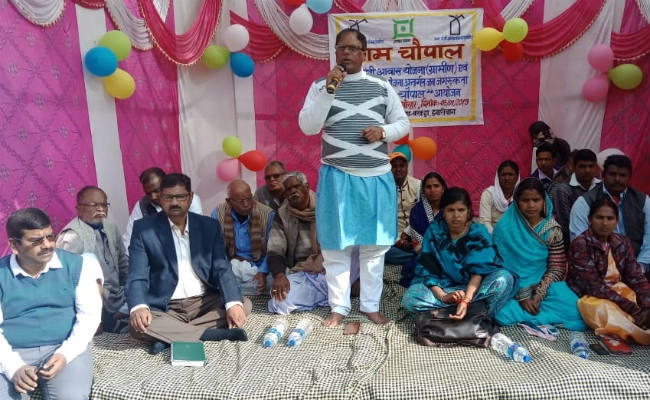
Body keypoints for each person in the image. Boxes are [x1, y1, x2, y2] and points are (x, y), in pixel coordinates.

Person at [298, 28, 410, 327]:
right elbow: (308, 126)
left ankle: (370, 306)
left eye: (352, 48)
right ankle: (339, 307)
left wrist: (383, 131)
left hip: (376, 178)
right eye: (341, 48)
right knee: (336, 247)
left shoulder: (381, 87)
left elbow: (403, 124)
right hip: (337, 178)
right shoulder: (320, 86)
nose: (345, 52)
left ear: (364, 54)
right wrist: (329, 91)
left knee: (374, 248)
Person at [127, 173, 251, 355]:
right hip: (167, 306)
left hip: (204, 301)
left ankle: (168, 335)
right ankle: (210, 334)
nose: (174, 202)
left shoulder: (209, 226)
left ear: (190, 197)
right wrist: (138, 306)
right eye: (168, 197)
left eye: (180, 197)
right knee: (137, 325)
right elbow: (137, 274)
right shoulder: (144, 229)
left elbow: (221, 268)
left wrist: (232, 303)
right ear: (160, 198)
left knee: (243, 303)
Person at [0, 208, 102, 399]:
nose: (47, 245)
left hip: (64, 346)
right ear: (14, 245)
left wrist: (65, 354)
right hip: (11, 351)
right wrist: (13, 368)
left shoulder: (78, 265)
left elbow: (90, 317)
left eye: (50, 237)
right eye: (36, 241)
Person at [401, 188, 514, 317]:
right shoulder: (434, 231)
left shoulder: (478, 232)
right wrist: (444, 296)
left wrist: (466, 300)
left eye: (461, 210)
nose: (456, 215)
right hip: (443, 287)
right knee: (411, 298)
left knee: (505, 279)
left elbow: (479, 272)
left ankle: (452, 312)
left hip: (476, 289)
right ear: (443, 212)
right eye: (450, 210)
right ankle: (474, 312)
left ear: (468, 212)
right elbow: (428, 272)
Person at [493, 178, 586, 330]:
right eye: (525, 200)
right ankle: (535, 315)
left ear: (544, 201)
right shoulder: (503, 228)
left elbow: (557, 268)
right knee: (500, 312)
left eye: (536, 200)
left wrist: (538, 295)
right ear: (517, 202)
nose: (531, 205)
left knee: (574, 308)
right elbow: (498, 266)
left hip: (542, 288)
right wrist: (522, 297)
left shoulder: (551, 229)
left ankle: (530, 313)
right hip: (512, 289)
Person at [267, 172, 360, 314]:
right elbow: (275, 249)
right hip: (303, 272)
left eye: (296, 187)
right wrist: (279, 276)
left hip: (332, 266)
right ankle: (333, 293)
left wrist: (358, 278)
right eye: (288, 190)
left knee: (357, 244)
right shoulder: (282, 215)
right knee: (279, 299)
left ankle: (339, 288)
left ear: (306, 187)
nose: (292, 192)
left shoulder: (328, 206)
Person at [567, 197, 650, 344]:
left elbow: (636, 277)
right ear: (590, 219)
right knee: (608, 313)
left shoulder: (621, 242)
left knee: (644, 304)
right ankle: (639, 333)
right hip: (591, 297)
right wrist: (633, 309)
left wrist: (646, 306)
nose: (604, 223)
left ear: (617, 221)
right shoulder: (580, 244)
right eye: (599, 218)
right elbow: (593, 286)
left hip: (620, 291)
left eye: (610, 218)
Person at [57, 186, 130, 333]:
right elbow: (69, 284)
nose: (101, 209)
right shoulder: (72, 237)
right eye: (94, 205)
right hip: (96, 305)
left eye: (104, 204)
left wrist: (132, 291)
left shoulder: (110, 225)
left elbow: (123, 261)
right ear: (79, 209)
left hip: (119, 297)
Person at [570, 155, 650, 278]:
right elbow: (579, 244)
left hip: (639, 269)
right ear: (603, 175)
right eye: (612, 174)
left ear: (629, 177)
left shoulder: (643, 201)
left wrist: (639, 268)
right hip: (596, 272)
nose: (617, 179)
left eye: (622, 175)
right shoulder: (584, 202)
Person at [211, 179, 275, 296]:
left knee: (279, 278)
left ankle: (235, 290)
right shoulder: (218, 213)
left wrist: (262, 272)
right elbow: (216, 249)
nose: (246, 204)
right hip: (232, 266)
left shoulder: (267, 214)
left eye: (249, 198)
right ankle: (246, 289)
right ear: (229, 201)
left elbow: (273, 248)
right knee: (213, 276)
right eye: (241, 201)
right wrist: (225, 271)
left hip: (260, 267)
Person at [122, 167, 203, 253]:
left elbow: (197, 232)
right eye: (148, 193)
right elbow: (129, 239)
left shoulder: (188, 200)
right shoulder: (141, 205)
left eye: (156, 191)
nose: (153, 197)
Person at [397, 172, 447, 287]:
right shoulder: (417, 210)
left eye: (436, 186)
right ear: (423, 190)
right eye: (428, 187)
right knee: (389, 253)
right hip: (420, 250)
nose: (432, 190)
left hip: (445, 251)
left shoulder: (450, 209)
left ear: (443, 188)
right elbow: (416, 241)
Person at [550, 149, 600, 248]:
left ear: (596, 167)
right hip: (573, 244)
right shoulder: (562, 190)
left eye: (591, 166)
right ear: (573, 167)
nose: (587, 170)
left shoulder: (601, 186)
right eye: (582, 166)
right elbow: (566, 225)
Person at [384, 150, 420, 265]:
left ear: (407, 167)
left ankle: (418, 255)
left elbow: (423, 213)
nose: (398, 169)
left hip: (417, 234)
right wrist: (397, 240)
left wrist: (409, 234)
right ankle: (419, 258)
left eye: (401, 165)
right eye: (394, 166)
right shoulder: (383, 189)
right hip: (393, 239)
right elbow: (382, 220)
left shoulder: (418, 185)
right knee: (384, 253)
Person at [479, 160, 520, 234]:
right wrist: (497, 237)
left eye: (511, 175)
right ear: (498, 177)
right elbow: (484, 222)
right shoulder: (488, 194)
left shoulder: (521, 195)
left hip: (516, 235)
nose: (507, 178)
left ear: (517, 177)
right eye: (503, 175)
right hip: (492, 235)